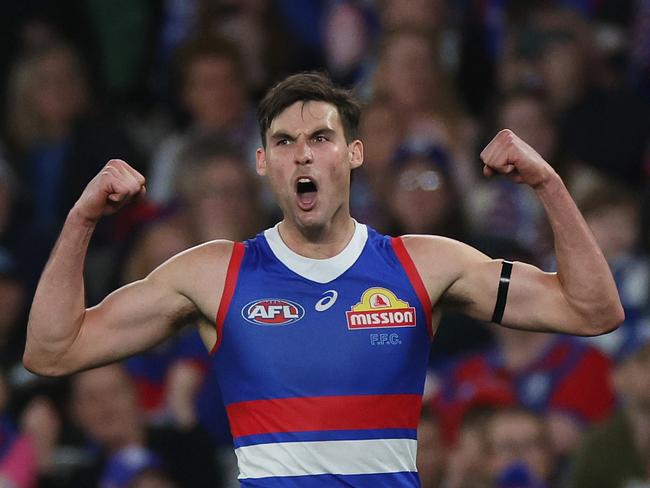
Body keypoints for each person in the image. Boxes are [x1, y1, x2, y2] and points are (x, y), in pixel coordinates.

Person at [24, 72, 623, 486]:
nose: (303, 155)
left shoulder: (425, 264)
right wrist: (82, 218)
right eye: (284, 142)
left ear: (355, 153)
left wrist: (547, 183)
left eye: (320, 138)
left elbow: (592, 309)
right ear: (263, 163)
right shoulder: (211, 275)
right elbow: (52, 349)